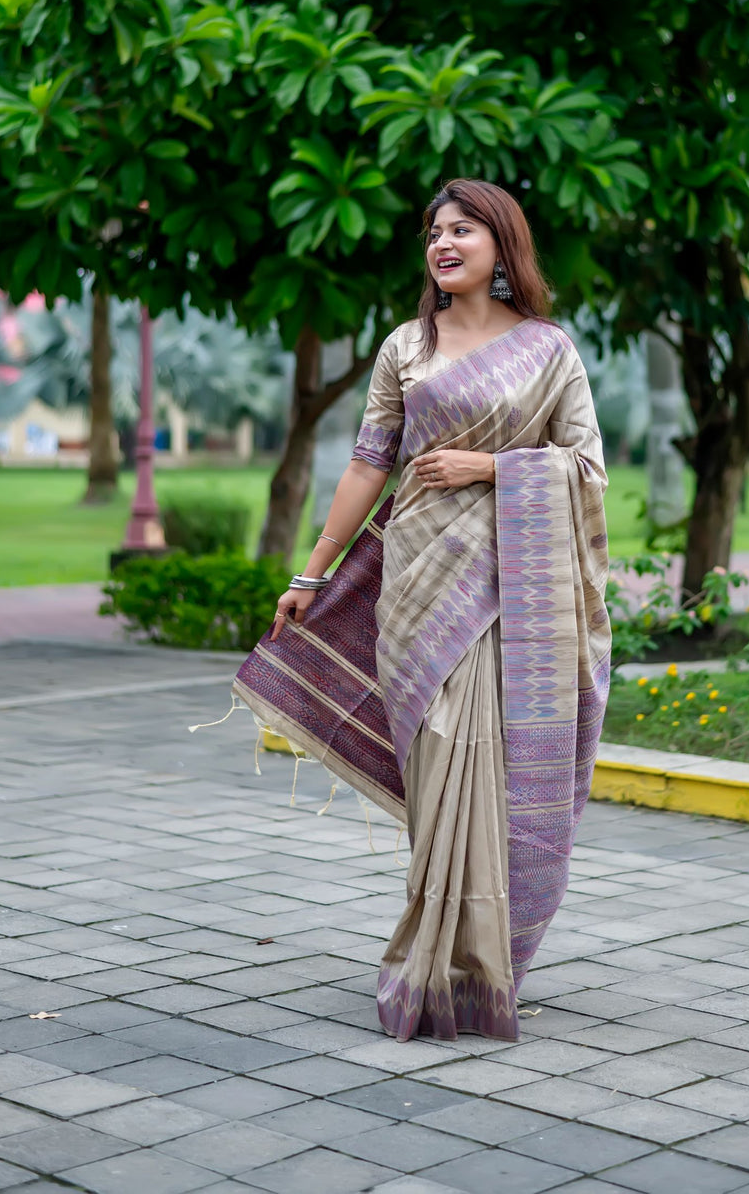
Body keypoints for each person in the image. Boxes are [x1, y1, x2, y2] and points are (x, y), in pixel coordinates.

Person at [232, 178, 610, 1042]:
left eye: (463, 229)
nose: (443, 243)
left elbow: (585, 469)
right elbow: (369, 464)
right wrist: (314, 573)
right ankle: (438, 958)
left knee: (495, 771)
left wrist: (489, 467)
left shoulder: (549, 350)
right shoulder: (407, 346)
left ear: (501, 244)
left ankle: (475, 964)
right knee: (440, 763)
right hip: (417, 581)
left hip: (513, 594)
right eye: (434, 232)